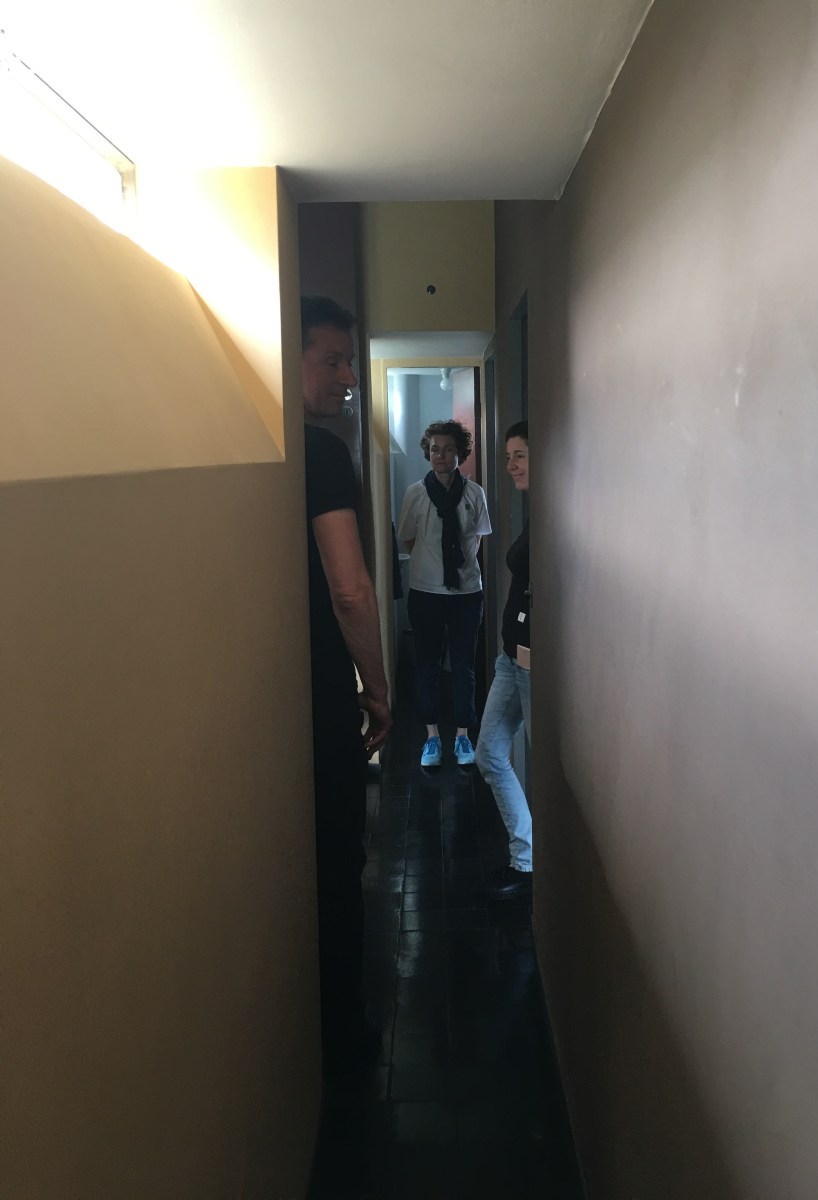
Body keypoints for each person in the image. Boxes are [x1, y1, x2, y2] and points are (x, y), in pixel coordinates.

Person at [301, 294, 392, 1070]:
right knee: (336, 862)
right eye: (331, 359)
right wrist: (379, 688)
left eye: (350, 361)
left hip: (275, 698)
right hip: (323, 699)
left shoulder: (267, 451)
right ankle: (344, 1034)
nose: (349, 377)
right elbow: (352, 589)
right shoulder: (322, 454)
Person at [397, 419, 491, 768]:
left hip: (467, 593)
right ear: (428, 453)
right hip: (426, 592)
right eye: (435, 449)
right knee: (427, 666)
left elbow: (477, 537)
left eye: (448, 449)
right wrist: (434, 567)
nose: (441, 455)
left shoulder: (474, 493)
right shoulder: (415, 493)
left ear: (459, 453)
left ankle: (464, 736)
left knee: (464, 666)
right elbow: (409, 538)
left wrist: (457, 567)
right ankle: (432, 737)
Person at [475, 421, 532, 902]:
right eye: (508, 456)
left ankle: (530, 864)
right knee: (490, 753)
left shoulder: (557, 514)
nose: (510, 465)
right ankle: (527, 857)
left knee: (543, 767)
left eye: (520, 456)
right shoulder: (536, 511)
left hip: (532, 666)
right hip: (510, 661)